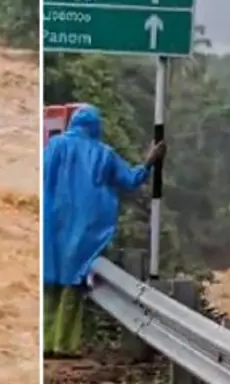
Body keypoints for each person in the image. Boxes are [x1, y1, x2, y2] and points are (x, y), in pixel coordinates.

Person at [42, 104, 166, 357]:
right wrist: (149, 161)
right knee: (72, 288)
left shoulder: (54, 147)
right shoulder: (104, 154)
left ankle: (43, 343)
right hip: (85, 230)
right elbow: (130, 181)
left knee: (49, 287)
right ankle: (63, 345)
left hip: (53, 226)